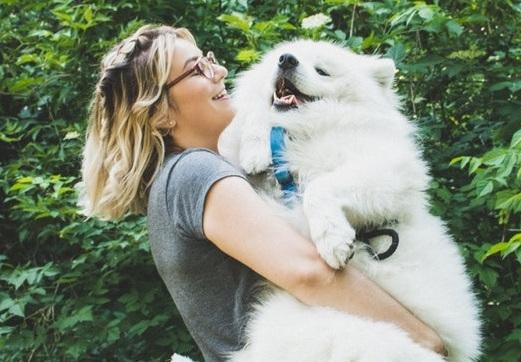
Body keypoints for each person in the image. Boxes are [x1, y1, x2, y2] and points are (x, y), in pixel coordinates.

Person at [80, 24, 446, 361]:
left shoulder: (185, 177)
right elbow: (308, 273)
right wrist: (424, 339)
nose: (219, 71)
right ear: (160, 113)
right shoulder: (195, 172)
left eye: (210, 60)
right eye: (197, 70)